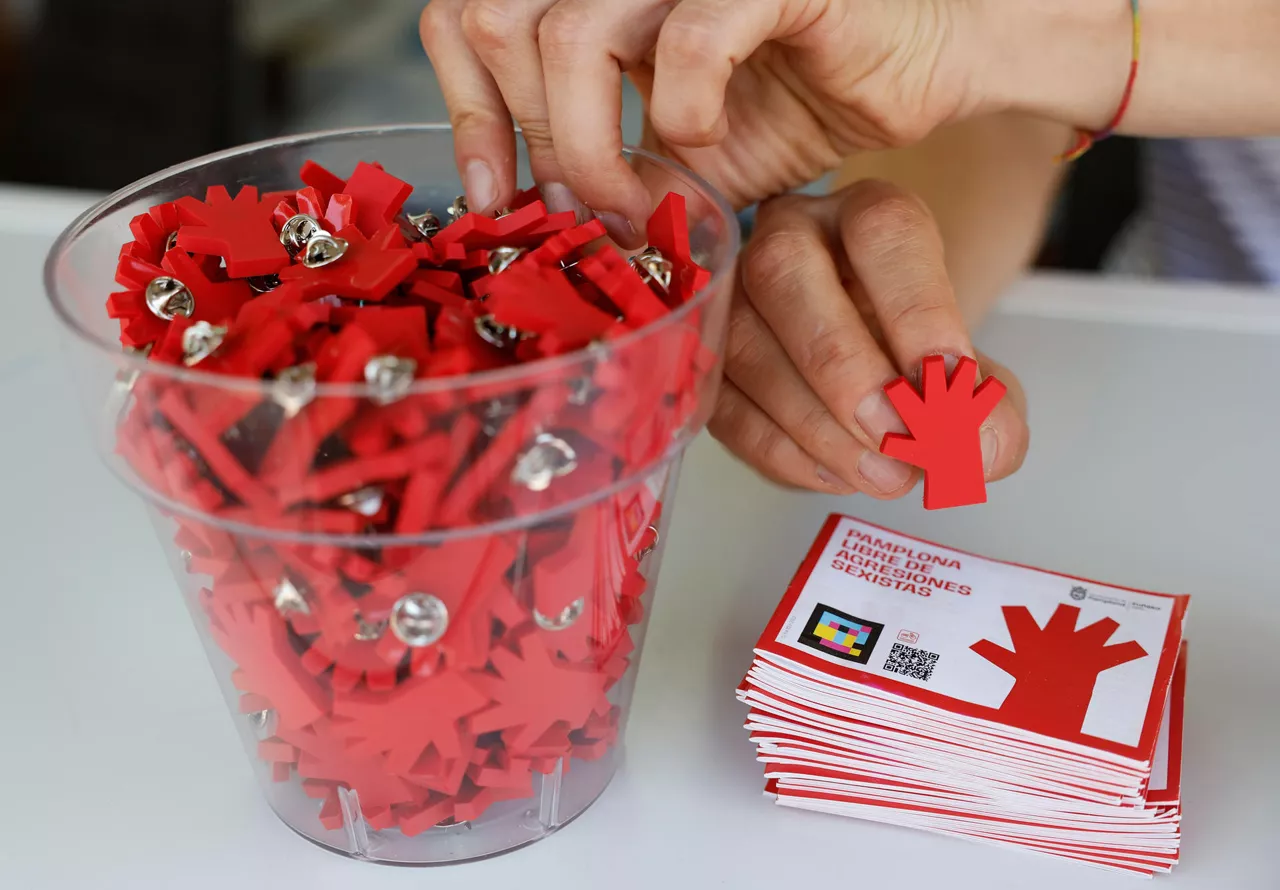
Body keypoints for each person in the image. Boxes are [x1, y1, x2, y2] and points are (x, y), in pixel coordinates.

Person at [419, 0, 1280, 498]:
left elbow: (990, 38)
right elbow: (997, 98)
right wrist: (893, 294)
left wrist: (979, 33)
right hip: (1190, 338)